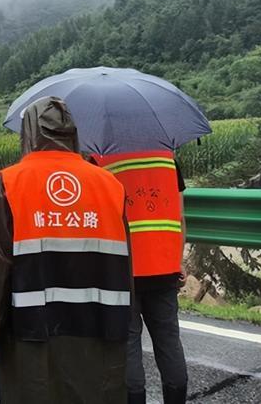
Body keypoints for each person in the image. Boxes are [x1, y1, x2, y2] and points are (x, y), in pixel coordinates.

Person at [0, 97, 133, 404]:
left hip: (33, 325)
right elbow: (126, 263)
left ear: (29, 133)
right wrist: (125, 322)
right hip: (99, 322)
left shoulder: (10, 181)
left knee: (35, 391)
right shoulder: (110, 184)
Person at [93, 151, 188, 404]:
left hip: (122, 271)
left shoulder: (100, 161)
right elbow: (179, 217)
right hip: (164, 268)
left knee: (130, 346)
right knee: (169, 343)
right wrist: (177, 260)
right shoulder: (167, 160)